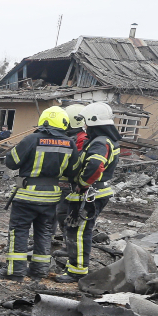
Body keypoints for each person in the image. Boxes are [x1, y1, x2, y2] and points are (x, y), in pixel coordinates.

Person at [0, 106, 75, 281]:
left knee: (19, 232)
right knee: (45, 233)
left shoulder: (32, 139)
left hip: (26, 196)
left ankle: (15, 271)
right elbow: (73, 171)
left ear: (44, 121)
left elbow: (12, 162)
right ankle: (39, 271)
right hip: (52, 198)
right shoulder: (70, 143)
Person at [58, 102, 120, 284]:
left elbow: (94, 165)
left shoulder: (100, 142)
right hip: (94, 192)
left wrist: (82, 184)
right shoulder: (105, 140)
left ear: (94, 121)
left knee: (78, 231)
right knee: (75, 229)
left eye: (86, 122)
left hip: (90, 194)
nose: (84, 126)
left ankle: (77, 271)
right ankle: (75, 266)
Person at [54, 103, 90, 247]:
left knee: (65, 213)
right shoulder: (72, 137)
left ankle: (69, 244)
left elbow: (77, 161)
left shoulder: (81, 138)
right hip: (64, 182)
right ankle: (66, 241)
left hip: (73, 184)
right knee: (60, 213)